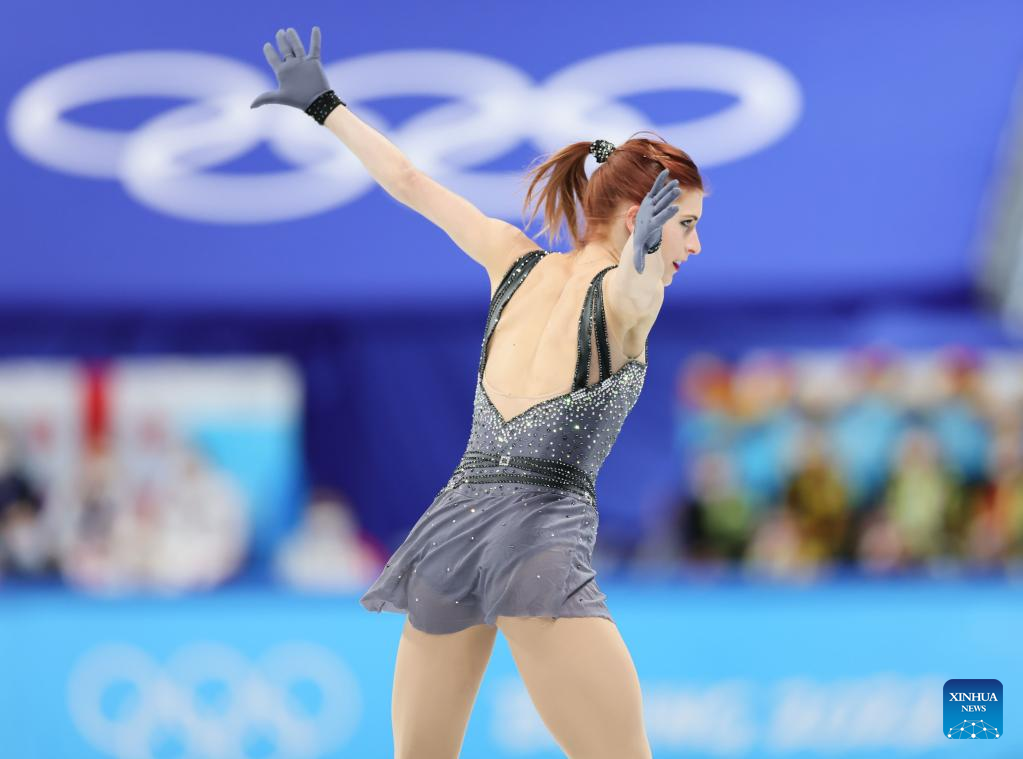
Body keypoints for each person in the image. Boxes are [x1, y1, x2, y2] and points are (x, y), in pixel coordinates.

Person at [253, 27, 705, 759]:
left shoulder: (511, 260)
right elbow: (632, 292)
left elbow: (410, 182)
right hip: (537, 540)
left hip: (452, 528)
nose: (694, 245)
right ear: (637, 219)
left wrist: (325, 107)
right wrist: (644, 257)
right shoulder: (629, 295)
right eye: (685, 225)